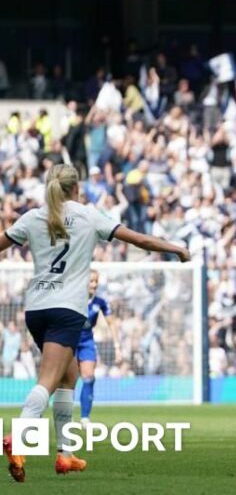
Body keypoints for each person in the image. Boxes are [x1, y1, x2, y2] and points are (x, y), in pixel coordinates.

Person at [0, 164, 189, 483]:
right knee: (48, 379)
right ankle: (19, 439)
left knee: (68, 376)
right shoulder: (88, 215)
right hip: (67, 310)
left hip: (36, 309)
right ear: (77, 188)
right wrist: (176, 248)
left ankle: (65, 453)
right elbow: (140, 240)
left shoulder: (32, 217)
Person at [77, 270, 121, 424]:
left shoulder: (100, 302)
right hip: (69, 341)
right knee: (62, 380)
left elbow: (111, 323)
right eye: (91, 281)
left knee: (88, 376)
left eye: (96, 281)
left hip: (87, 342)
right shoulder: (73, 299)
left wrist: (117, 346)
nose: (94, 285)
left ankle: (84, 417)